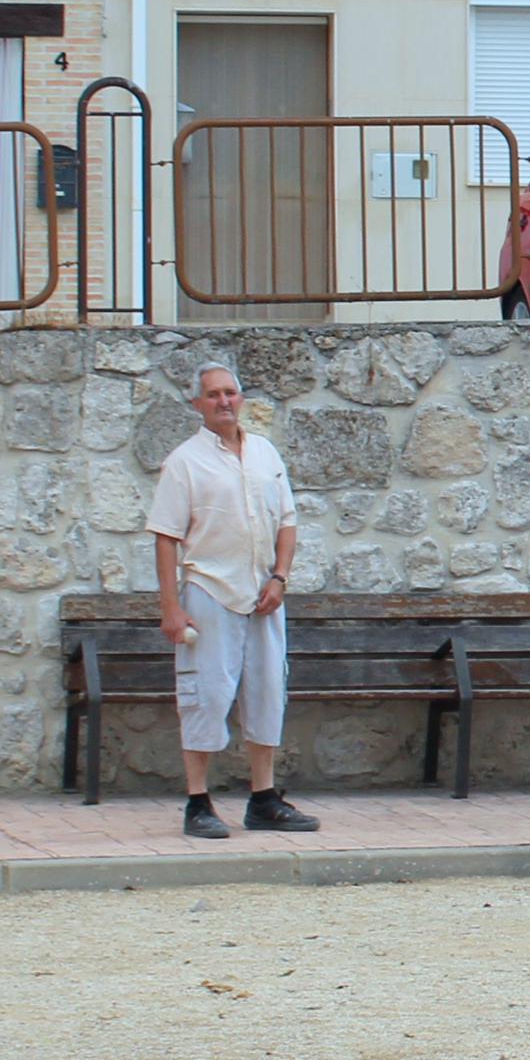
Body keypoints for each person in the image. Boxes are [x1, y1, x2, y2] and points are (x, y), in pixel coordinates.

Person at [144, 360, 319, 841]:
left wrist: (280, 578)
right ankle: (197, 802)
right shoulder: (185, 461)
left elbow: (287, 521)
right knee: (206, 694)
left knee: (266, 691)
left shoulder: (264, 453)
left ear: (241, 399)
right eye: (214, 395)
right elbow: (165, 536)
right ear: (198, 404)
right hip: (209, 590)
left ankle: (263, 798)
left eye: (231, 393)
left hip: (262, 592)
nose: (224, 401)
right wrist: (170, 607)